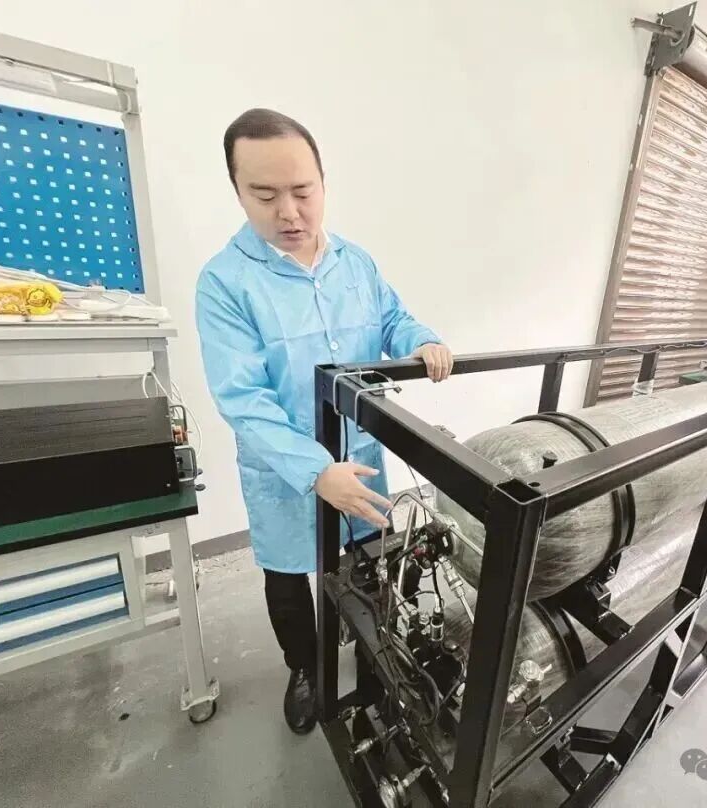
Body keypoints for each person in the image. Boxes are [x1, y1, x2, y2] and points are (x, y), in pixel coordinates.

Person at [195, 108, 453, 735]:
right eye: (265, 195)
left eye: (302, 192)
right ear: (237, 191)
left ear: (322, 183)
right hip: (284, 470)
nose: (289, 213)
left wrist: (421, 340)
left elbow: (393, 319)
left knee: (371, 565)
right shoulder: (225, 283)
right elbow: (243, 398)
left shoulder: (354, 263)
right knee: (289, 577)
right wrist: (315, 470)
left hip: (361, 452)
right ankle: (305, 668)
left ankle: (377, 658)